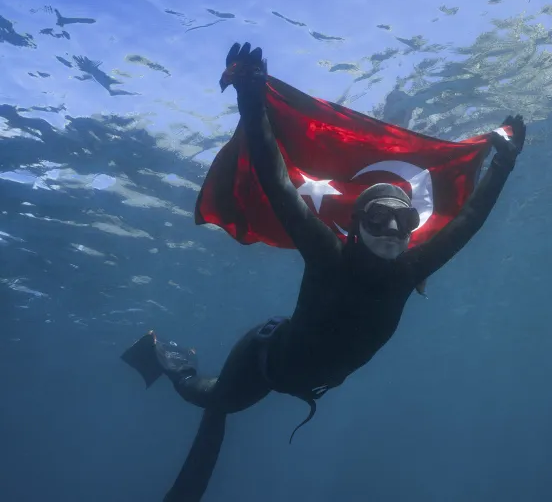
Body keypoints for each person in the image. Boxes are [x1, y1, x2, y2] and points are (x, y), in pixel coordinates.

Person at [121, 41, 526, 502]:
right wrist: (251, 99)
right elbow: (277, 184)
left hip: (299, 374)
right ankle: (167, 359)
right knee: (214, 398)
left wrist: (505, 162)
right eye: (378, 219)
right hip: (261, 360)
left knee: (220, 409)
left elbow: (471, 220)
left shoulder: (412, 266)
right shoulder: (327, 253)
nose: (392, 229)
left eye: (405, 221)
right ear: (355, 226)